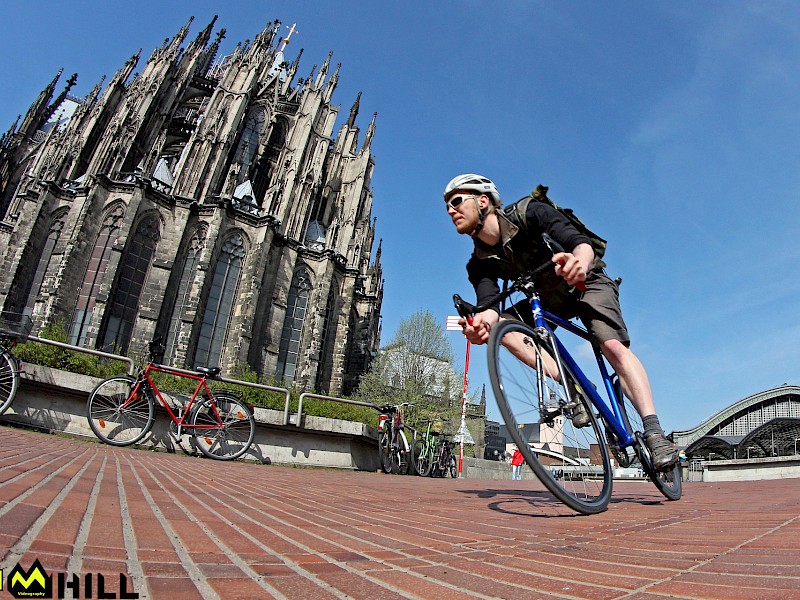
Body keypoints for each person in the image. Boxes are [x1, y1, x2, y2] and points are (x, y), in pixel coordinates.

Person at [444, 173, 677, 470]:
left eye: (456, 202)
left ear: (483, 200)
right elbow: (489, 305)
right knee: (501, 328)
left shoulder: (529, 212)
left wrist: (579, 260)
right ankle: (574, 384)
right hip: (545, 298)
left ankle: (654, 432)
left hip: (585, 281)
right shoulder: (478, 263)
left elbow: (578, 243)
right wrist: (482, 325)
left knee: (612, 347)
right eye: (447, 207)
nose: (451, 211)